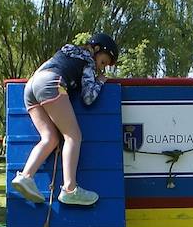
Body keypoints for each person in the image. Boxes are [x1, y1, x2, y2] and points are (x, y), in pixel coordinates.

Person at [9, 32, 119, 207]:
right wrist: (100, 81)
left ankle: (25, 177)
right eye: (103, 62)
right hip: (51, 83)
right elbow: (88, 98)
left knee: (50, 138)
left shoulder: (68, 49)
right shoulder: (88, 62)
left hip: (31, 86)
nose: (101, 68)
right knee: (73, 136)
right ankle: (69, 189)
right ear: (97, 49)